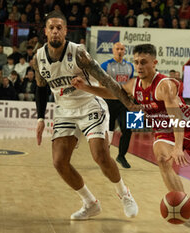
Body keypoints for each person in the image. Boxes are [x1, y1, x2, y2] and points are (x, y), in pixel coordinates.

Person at [72, 44, 190, 227]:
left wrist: (178, 147)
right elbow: (113, 94)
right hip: (163, 131)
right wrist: (86, 88)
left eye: (144, 62)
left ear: (155, 63)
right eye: (136, 62)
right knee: (162, 159)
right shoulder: (133, 84)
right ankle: (183, 205)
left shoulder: (164, 85)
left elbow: (175, 116)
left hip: (189, 129)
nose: (139, 66)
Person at [34, 11, 138, 220]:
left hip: (90, 104)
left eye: (59, 28)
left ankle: (123, 193)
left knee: (100, 155)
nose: (55, 31)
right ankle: (90, 203)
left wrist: (129, 103)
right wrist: (40, 118)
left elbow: (106, 80)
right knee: (59, 162)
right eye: (51, 28)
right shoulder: (38, 58)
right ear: (45, 31)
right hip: (65, 110)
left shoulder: (79, 53)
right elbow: (40, 88)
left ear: (65, 31)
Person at [100, 42, 134, 168]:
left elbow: (130, 82)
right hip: (109, 101)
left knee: (128, 129)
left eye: (122, 49)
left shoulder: (130, 66)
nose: (119, 51)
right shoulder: (105, 65)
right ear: (113, 51)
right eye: (117, 49)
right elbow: (100, 83)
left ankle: (121, 156)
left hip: (124, 102)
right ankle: (104, 157)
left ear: (125, 51)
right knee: (108, 130)